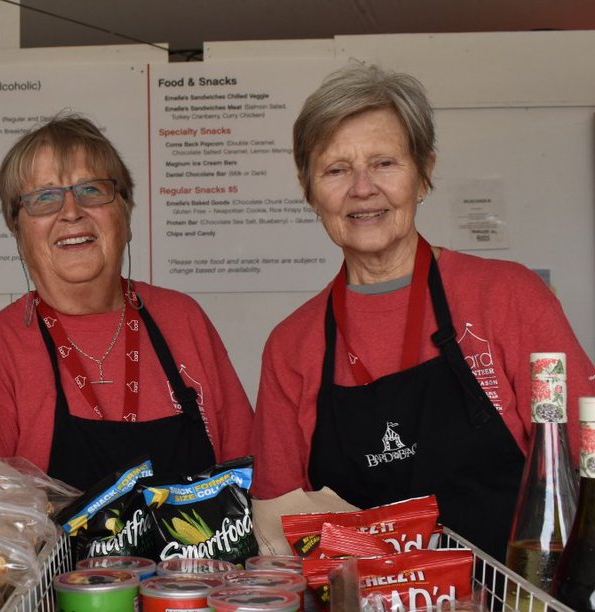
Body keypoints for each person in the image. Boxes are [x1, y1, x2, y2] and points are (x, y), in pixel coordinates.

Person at [241, 62, 595, 557]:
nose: (362, 188)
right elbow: (278, 531)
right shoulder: (292, 346)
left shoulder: (508, 298)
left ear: (424, 174)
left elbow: (586, 453)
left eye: (385, 163)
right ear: (310, 192)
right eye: (337, 170)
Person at [0, 114, 254, 491]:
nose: (71, 211)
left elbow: (251, 476)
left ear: (126, 214)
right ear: (18, 231)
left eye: (91, 190)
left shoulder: (182, 318)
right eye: (44, 198)